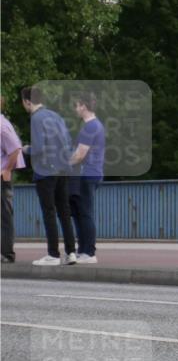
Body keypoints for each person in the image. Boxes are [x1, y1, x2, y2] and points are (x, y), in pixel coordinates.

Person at [20, 86, 76, 266]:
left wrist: (25, 149)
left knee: (49, 213)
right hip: (63, 169)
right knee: (64, 212)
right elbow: (68, 142)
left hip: (45, 171)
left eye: (23, 103)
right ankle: (71, 252)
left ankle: (53, 254)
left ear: (27, 101)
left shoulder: (36, 118)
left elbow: (38, 148)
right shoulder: (56, 116)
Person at [68, 92, 105, 264]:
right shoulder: (95, 125)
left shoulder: (90, 127)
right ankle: (83, 250)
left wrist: (63, 164)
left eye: (77, 105)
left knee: (85, 213)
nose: (75, 108)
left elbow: (79, 155)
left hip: (87, 174)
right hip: (91, 173)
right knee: (80, 213)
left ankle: (89, 253)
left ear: (83, 106)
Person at [1, 97, 26, 263]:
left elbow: (16, 148)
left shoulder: (1, 126)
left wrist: (7, 169)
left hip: (2, 177)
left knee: (5, 215)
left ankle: (7, 254)